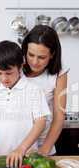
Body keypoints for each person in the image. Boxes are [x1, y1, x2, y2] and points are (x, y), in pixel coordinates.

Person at [0, 40, 51, 167]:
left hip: (24, 158)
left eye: (9, 73)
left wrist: (21, 149)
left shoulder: (33, 90)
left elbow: (40, 123)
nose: (4, 78)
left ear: (20, 67)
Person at [22, 25, 69, 155]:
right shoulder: (16, 65)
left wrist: (45, 149)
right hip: (16, 144)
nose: (34, 62)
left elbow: (59, 116)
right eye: (31, 55)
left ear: (52, 54)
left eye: (42, 57)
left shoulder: (59, 74)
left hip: (43, 144)